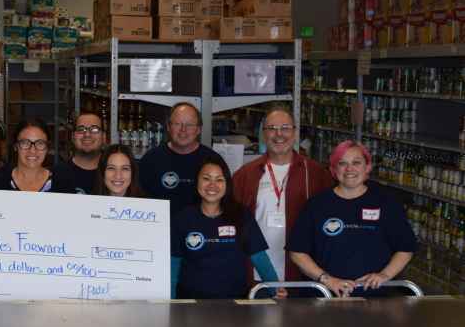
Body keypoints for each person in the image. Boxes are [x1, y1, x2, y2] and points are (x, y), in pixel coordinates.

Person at [287, 141, 417, 298]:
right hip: (325, 298)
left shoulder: (386, 203)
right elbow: (297, 252)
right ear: (333, 169)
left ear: (367, 167)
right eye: (342, 163)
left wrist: (384, 275)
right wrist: (327, 280)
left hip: (375, 299)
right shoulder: (317, 205)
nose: (349, 169)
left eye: (356, 163)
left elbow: (405, 248)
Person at [232, 105, 333, 283]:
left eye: (285, 128)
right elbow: (233, 224)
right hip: (255, 275)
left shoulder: (315, 174)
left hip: (302, 275)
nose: (279, 134)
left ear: (295, 132)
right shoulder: (245, 175)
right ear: (264, 134)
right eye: (272, 128)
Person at [170, 154, 279, 299]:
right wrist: (170, 301)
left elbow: (259, 257)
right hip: (190, 303)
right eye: (206, 178)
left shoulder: (241, 215)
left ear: (227, 184)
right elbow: (173, 264)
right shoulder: (182, 218)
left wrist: (276, 289)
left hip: (235, 303)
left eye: (219, 180)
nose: (212, 185)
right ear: (197, 181)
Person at [140, 102, 218, 217]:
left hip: (200, 227)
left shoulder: (213, 161)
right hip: (160, 225)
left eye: (189, 125)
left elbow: (223, 203)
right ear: (168, 127)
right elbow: (139, 201)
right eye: (177, 124)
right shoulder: (150, 159)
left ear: (199, 129)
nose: (183, 130)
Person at [0, 119, 72, 192]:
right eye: (25, 143)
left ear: (47, 148)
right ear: (15, 146)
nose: (32, 150)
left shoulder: (64, 185)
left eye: (40, 143)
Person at [54, 111, 106, 194]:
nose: (87, 134)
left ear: (104, 137)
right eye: (81, 129)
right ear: (73, 137)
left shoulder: (116, 176)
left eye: (94, 129)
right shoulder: (58, 174)